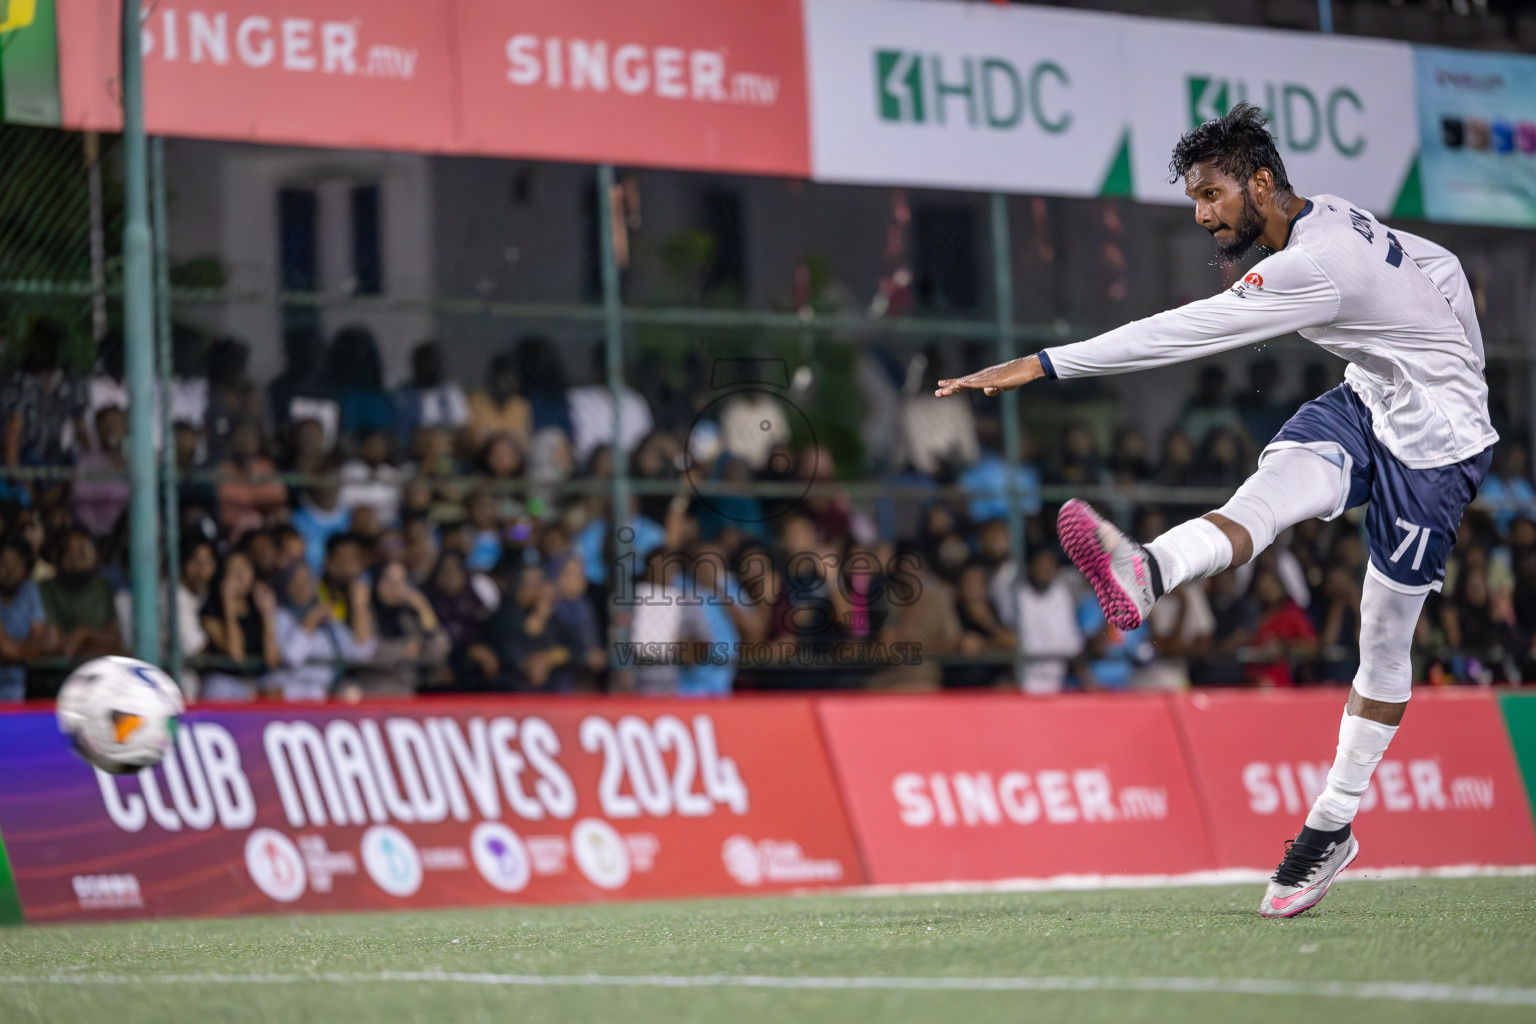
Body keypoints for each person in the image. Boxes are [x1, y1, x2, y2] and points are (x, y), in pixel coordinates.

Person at [936, 103, 1498, 917]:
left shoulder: (1314, 261)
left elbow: (1185, 332)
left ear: (1259, 182)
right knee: (1260, 504)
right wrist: (1450, 356)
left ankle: (1332, 822)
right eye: (1196, 200)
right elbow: (1440, 264)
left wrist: (1044, 364)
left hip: (1438, 450)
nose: (1203, 216)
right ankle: (1151, 567)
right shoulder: (1328, 213)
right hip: (1368, 404)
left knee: (1382, 639)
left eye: (1211, 197)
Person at [199, 550, 280, 701]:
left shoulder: (257, 604)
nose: (240, 574)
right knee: (219, 687)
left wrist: (268, 615)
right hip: (226, 679)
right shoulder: (211, 610)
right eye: (234, 570)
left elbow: (272, 660)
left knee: (274, 685)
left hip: (256, 678)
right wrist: (228, 607)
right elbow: (236, 655)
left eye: (245, 568)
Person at [0, 536, 57, 702]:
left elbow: (38, 637)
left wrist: (20, 651)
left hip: (20, 683)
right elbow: (8, 649)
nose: (9, 570)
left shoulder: (29, 589)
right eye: (4, 563)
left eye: (15, 563)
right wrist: (22, 651)